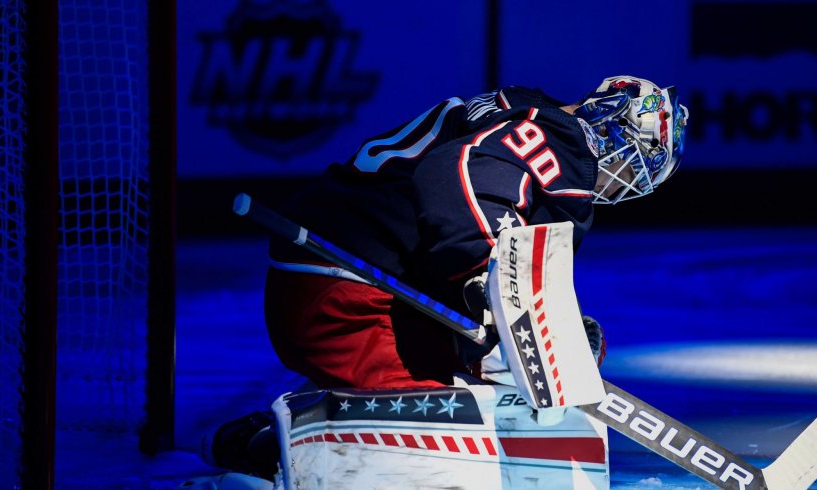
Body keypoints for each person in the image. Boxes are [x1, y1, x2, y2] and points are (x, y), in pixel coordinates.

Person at [205, 75, 689, 477]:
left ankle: (268, 432)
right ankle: (279, 449)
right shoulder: (559, 144)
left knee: (482, 368)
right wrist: (488, 274)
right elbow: (456, 174)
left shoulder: (525, 116)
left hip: (338, 284)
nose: (628, 178)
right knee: (447, 427)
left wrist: (541, 322)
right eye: (636, 161)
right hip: (345, 293)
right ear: (612, 131)